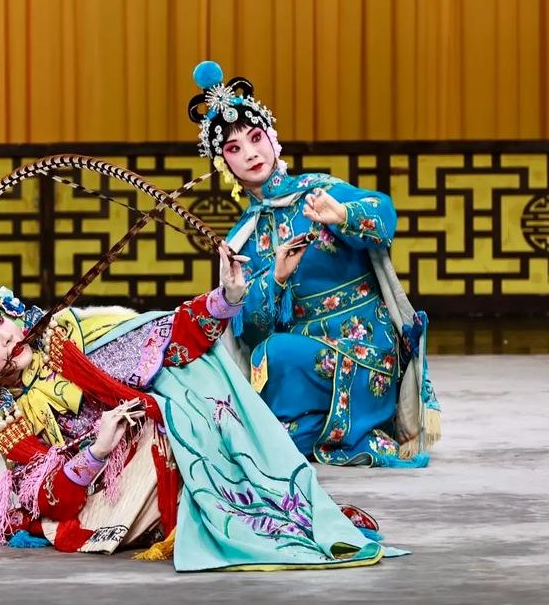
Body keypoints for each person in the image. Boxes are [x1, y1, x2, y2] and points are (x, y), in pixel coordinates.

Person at [0, 244, 402, 572]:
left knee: (180, 396)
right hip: (100, 497)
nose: (0, 336)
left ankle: (249, 505)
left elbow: (170, 339)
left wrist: (226, 297)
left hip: (149, 448)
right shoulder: (1, 412)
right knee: (155, 435)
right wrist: (98, 448)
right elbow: (38, 491)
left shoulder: (71, 331)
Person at [186, 60, 440, 467]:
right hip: (308, 367)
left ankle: (325, 427)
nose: (250, 154)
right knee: (262, 360)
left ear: (272, 139)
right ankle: (310, 431)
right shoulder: (243, 238)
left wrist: (342, 217)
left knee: (277, 355)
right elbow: (251, 331)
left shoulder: (316, 191)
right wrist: (267, 283)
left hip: (364, 355)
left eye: (255, 138)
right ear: (223, 165)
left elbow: (384, 214)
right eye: (234, 149)